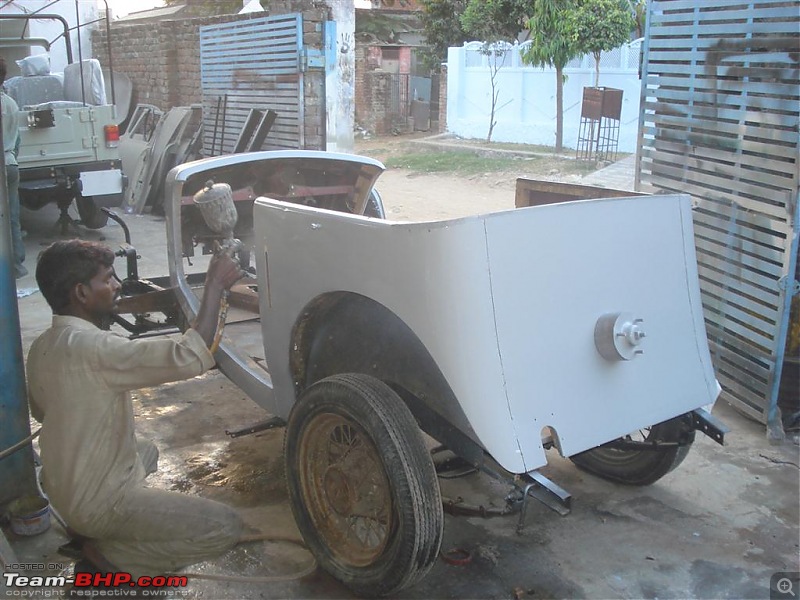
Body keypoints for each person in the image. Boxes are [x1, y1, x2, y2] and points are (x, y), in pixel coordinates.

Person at [27, 239, 245, 576]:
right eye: (108, 279)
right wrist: (214, 285)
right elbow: (189, 355)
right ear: (81, 293)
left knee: (146, 451)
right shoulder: (95, 348)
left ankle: (85, 528)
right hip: (95, 502)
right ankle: (113, 558)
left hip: (62, 489)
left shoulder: (43, 345)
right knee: (225, 526)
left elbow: (44, 414)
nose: (117, 286)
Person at [0, 56, 25, 278]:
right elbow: (17, 140)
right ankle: (17, 265)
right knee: (12, 217)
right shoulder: (11, 102)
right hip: (11, 164)